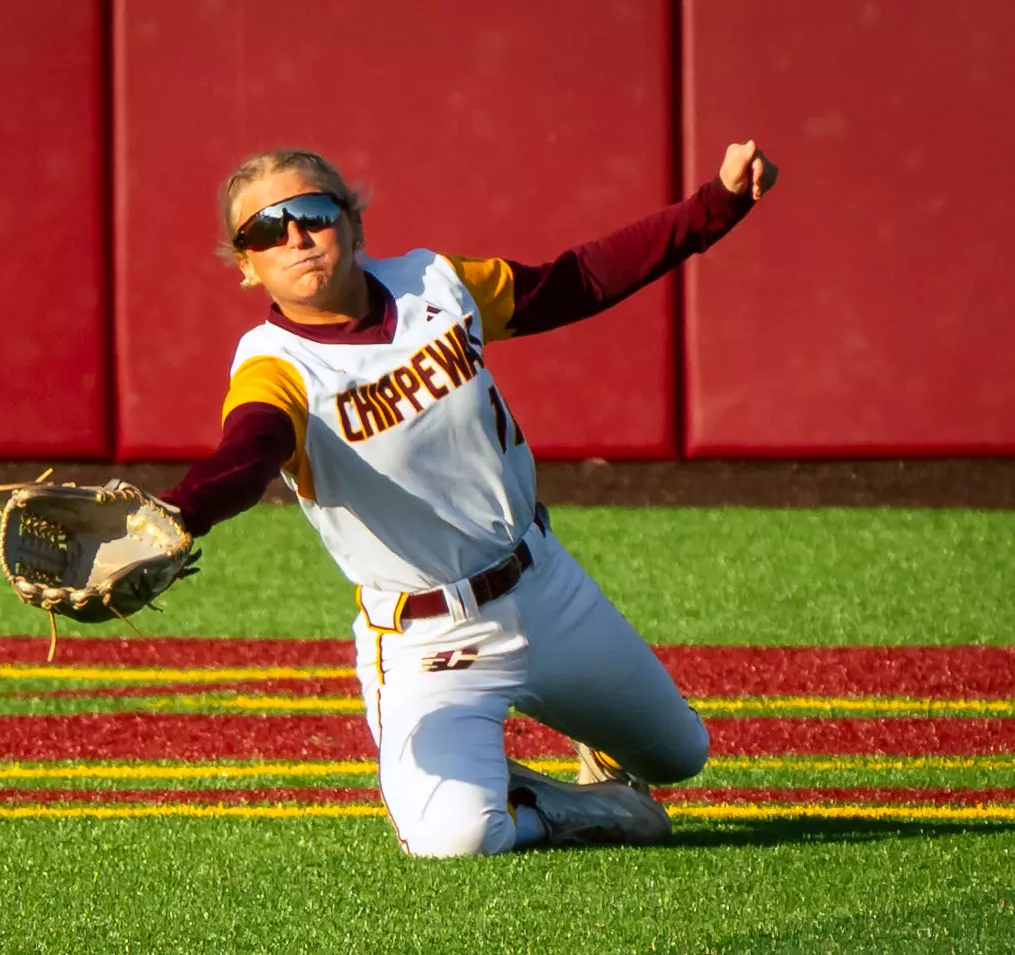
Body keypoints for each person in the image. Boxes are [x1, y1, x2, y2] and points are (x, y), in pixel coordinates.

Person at [161, 143, 777, 857]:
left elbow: (576, 280)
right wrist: (179, 513)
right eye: (263, 230)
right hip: (429, 640)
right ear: (245, 265)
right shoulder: (276, 365)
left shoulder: (437, 283)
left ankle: (599, 750)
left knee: (679, 755)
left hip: (543, 587)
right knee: (452, 837)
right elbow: (248, 453)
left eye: (313, 212)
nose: (295, 236)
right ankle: (563, 805)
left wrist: (714, 207)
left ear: (354, 224)